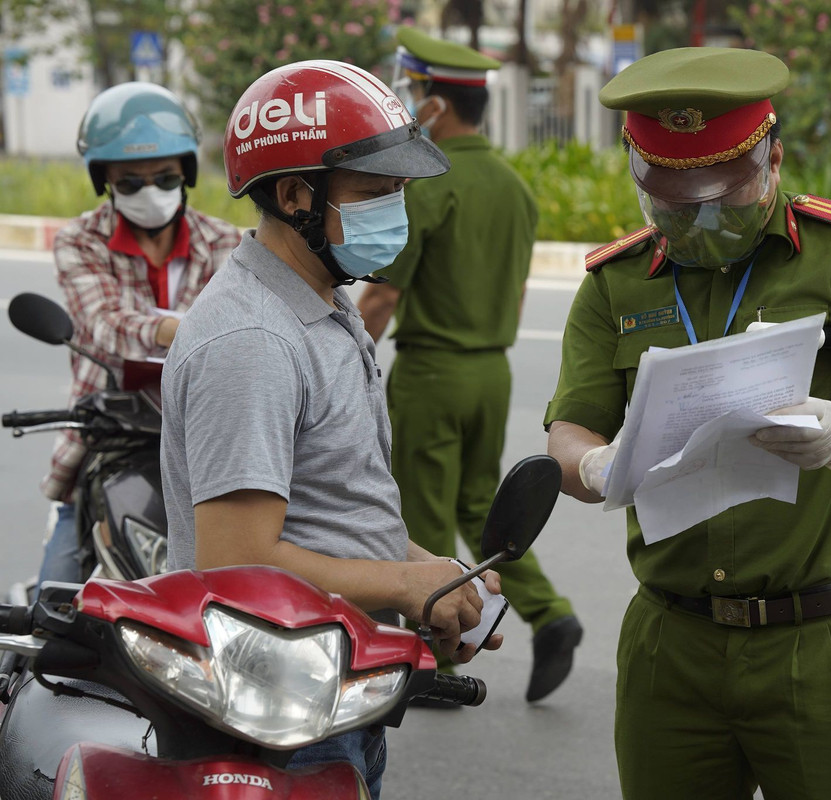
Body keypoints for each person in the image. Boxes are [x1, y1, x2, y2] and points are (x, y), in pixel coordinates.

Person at [544, 47, 831, 800]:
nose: (700, 219)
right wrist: (590, 466)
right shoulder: (614, 282)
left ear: (773, 155)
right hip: (668, 645)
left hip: (817, 644)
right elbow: (569, 430)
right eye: (673, 203)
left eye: (723, 196)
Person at [160, 60, 500, 800]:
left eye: (402, 191)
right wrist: (408, 583)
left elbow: (332, 501)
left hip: (331, 693)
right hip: (276, 723)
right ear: (293, 195)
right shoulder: (252, 341)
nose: (397, 212)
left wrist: (434, 575)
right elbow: (236, 563)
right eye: (377, 193)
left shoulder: (325, 300)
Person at [358, 28, 582, 704]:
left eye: (412, 90)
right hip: (493, 371)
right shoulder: (515, 188)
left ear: (433, 105)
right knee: (482, 506)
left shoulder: (427, 183)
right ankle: (549, 614)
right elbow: (514, 296)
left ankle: (435, 667)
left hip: (432, 372)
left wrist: (348, 365)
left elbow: (383, 294)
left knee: (423, 516)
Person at [39, 81, 240, 586]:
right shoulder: (80, 241)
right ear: (103, 179)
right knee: (51, 610)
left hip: (207, 438)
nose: (149, 191)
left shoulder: (226, 242)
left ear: (187, 173)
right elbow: (106, 324)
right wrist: (195, 330)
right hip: (111, 440)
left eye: (164, 177)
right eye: (130, 182)